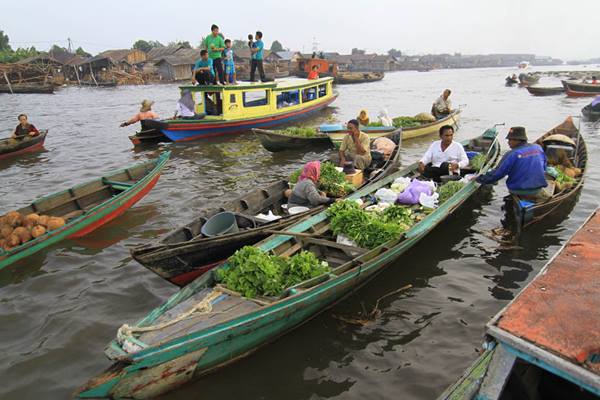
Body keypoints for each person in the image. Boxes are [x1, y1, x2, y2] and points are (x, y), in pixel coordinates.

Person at [476, 127, 548, 200]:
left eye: (510, 139)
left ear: (518, 140)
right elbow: (544, 167)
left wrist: (479, 178)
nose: (508, 142)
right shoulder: (538, 148)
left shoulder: (512, 154)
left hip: (518, 191)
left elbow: (497, 174)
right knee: (547, 198)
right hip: (537, 189)